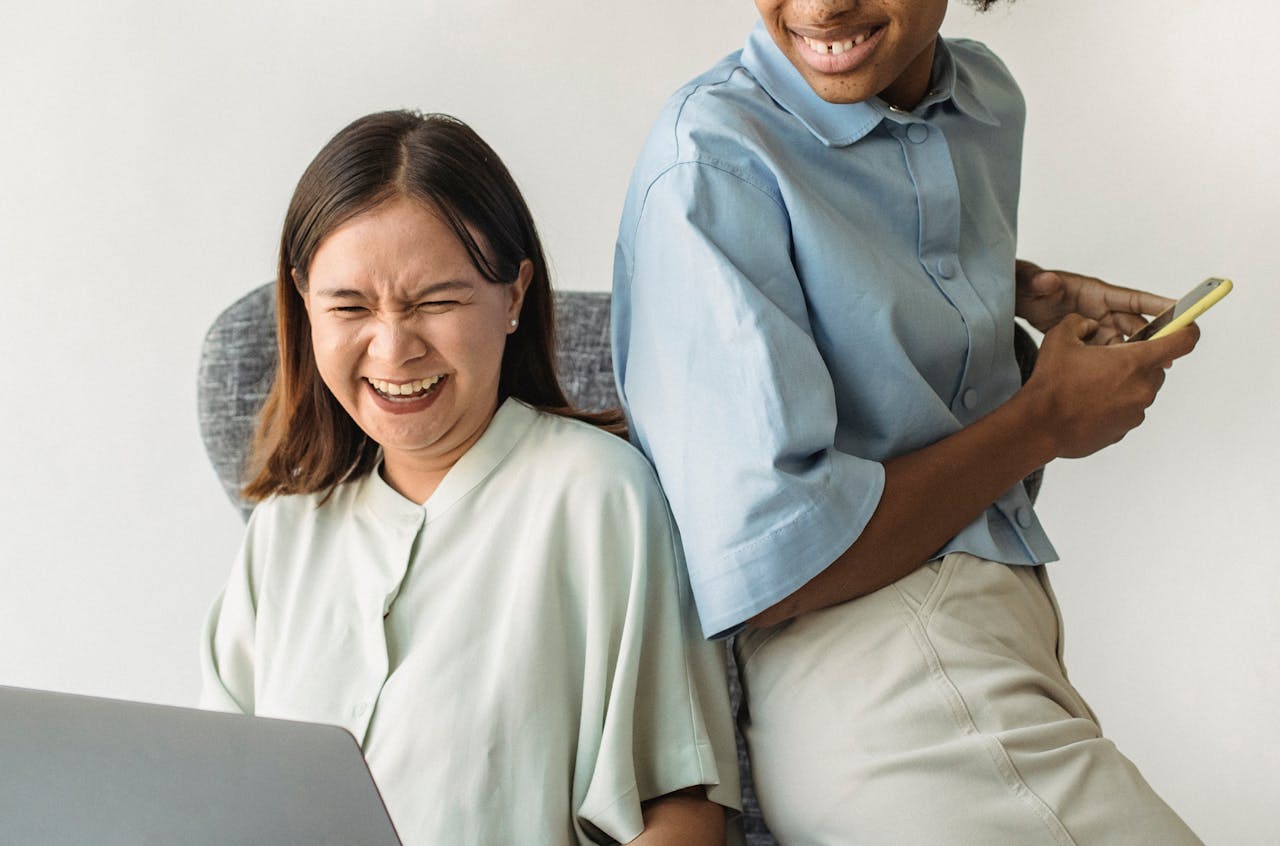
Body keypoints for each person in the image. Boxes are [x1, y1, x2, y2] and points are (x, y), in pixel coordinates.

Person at [612, 1, 1203, 843]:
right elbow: (778, 565)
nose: (819, 7)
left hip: (1005, 636)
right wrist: (1047, 420)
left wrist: (999, 297)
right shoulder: (713, 162)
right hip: (879, 668)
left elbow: (865, 335)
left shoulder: (982, 100)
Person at [200, 110, 740, 845]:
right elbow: (207, 797)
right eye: (350, 306)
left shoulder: (599, 496)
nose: (393, 350)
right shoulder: (283, 533)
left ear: (513, 295)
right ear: (305, 306)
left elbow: (683, 815)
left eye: (436, 302)